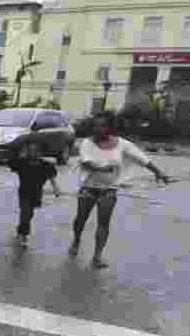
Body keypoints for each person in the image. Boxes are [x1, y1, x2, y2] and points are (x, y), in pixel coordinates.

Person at [69, 112, 171, 268]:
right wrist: (105, 168)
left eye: (102, 125)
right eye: (95, 125)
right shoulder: (86, 143)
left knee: (103, 223)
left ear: (109, 127)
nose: (98, 129)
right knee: (80, 219)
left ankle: (97, 256)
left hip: (109, 189)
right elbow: (87, 162)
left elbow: (141, 157)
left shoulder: (122, 144)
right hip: (88, 188)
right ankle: (76, 240)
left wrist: (158, 172)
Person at [7, 142, 61, 246]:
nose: (33, 153)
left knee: (29, 214)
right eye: (30, 150)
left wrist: (56, 189)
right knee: (25, 213)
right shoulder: (22, 162)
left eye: (35, 151)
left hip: (36, 193)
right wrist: (20, 154)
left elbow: (52, 177)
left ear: (40, 153)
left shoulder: (45, 164)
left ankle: (20, 228)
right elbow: (10, 163)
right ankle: (24, 235)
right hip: (24, 192)